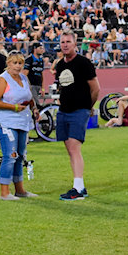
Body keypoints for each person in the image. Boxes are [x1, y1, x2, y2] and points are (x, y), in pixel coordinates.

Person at [53, 29, 99, 201]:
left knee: (74, 147)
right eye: (62, 42)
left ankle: (78, 188)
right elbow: (61, 86)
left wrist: (88, 107)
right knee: (70, 150)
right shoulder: (60, 65)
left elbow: (95, 88)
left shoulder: (84, 63)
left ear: (75, 44)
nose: (65, 45)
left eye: (68, 42)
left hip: (79, 110)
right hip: (64, 110)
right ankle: (80, 186)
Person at [0, 52, 37, 200]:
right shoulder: (2, 80)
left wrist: (34, 108)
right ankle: (4, 192)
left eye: (20, 63)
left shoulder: (23, 78)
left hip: (22, 121)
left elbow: (29, 97)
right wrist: (13, 107)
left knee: (20, 155)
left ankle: (20, 189)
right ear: (8, 63)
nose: (18, 66)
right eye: (14, 63)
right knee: (10, 155)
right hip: (6, 122)